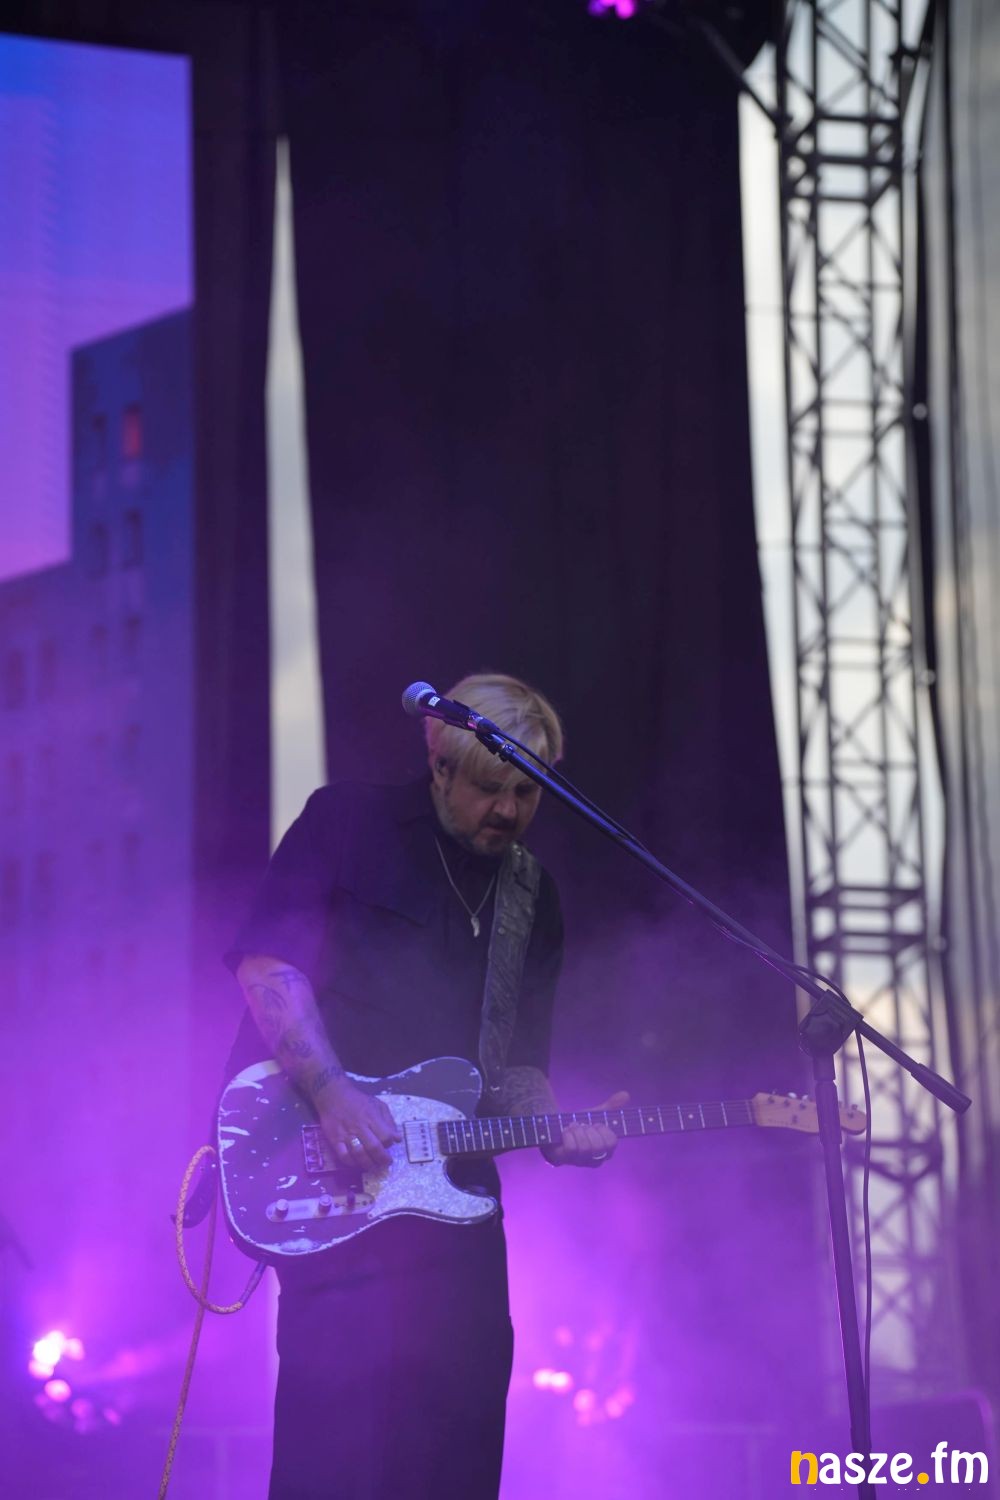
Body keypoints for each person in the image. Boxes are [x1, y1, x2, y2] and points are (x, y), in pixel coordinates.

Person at [225, 672, 625, 1499]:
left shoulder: (532, 896)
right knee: (333, 1457)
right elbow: (268, 966)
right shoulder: (347, 822)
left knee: (457, 1449)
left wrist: (557, 1127)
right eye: (488, 788)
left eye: (526, 793)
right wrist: (332, 1093)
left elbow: (517, 1067)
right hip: (335, 1192)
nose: (507, 811)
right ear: (440, 766)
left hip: (458, 1212)